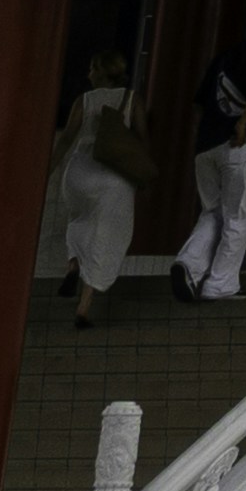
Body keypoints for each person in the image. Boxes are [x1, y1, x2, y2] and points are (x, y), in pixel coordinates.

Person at [176, 0, 246, 300]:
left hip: (206, 147)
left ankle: (188, 264)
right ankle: (220, 284)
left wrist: (209, 132)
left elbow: (199, 103)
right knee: (238, 217)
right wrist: (243, 121)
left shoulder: (223, 56)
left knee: (213, 212)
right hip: (239, 145)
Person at [55, 51, 154, 326]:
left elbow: (66, 139)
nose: (88, 73)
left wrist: (47, 170)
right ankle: (83, 308)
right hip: (114, 177)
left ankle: (73, 265)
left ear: (101, 72)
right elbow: (143, 139)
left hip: (80, 171)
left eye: (92, 68)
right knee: (106, 238)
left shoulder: (84, 100)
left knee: (79, 220)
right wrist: (144, 175)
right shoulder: (132, 99)